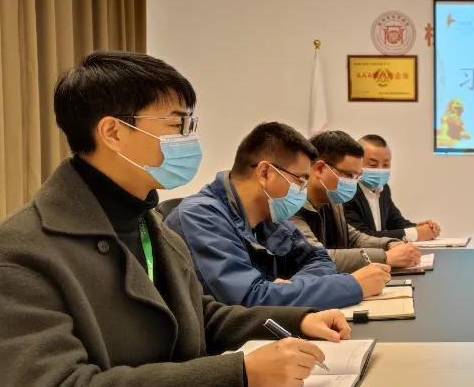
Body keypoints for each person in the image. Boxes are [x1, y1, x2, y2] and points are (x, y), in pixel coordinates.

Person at [0, 52, 354, 387]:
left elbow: (201, 317)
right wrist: (240, 375)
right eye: (177, 124)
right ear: (113, 132)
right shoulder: (21, 252)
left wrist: (297, 321)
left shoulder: (150, 224)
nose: (188, 139)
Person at [166, 122, 389, 308]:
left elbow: (317, 258)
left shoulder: (269, 216)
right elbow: (249, 300)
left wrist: (291, 288)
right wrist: (351, 286)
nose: (304, 190)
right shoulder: (201, 217)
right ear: (265, 173)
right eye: (300, 180)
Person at [291, 130, 422, 272]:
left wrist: (390, 244)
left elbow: (354, 238)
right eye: (349, 175)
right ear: (320, 169)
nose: (353, 183)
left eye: (357, 177)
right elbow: (316, 257)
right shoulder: (291, 206)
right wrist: (385, 257)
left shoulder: (332, 202)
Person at [345, 134, 441, 241]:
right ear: (357, 163)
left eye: (386, 165)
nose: (380, 170)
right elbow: (362, 237)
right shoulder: (346, 193)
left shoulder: (384, 189)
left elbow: (396, 222)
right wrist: (416, 233)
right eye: (373, 165)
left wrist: (421, 228)